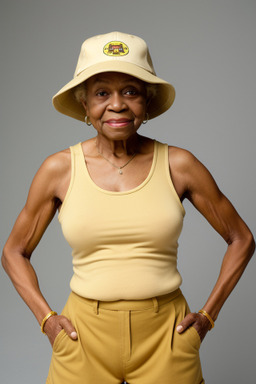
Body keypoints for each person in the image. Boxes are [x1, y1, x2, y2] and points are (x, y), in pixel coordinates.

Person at [2, 31, 255, 384]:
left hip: (167, 336)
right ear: (85, 105)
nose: (117, 104)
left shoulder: (178, 164)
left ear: (146, 104)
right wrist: (47, 320)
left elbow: (241, 238)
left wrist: (208, 317)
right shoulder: (58, 169)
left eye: (131, 92)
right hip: (82, 336)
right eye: (102, 93)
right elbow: (14, 251)